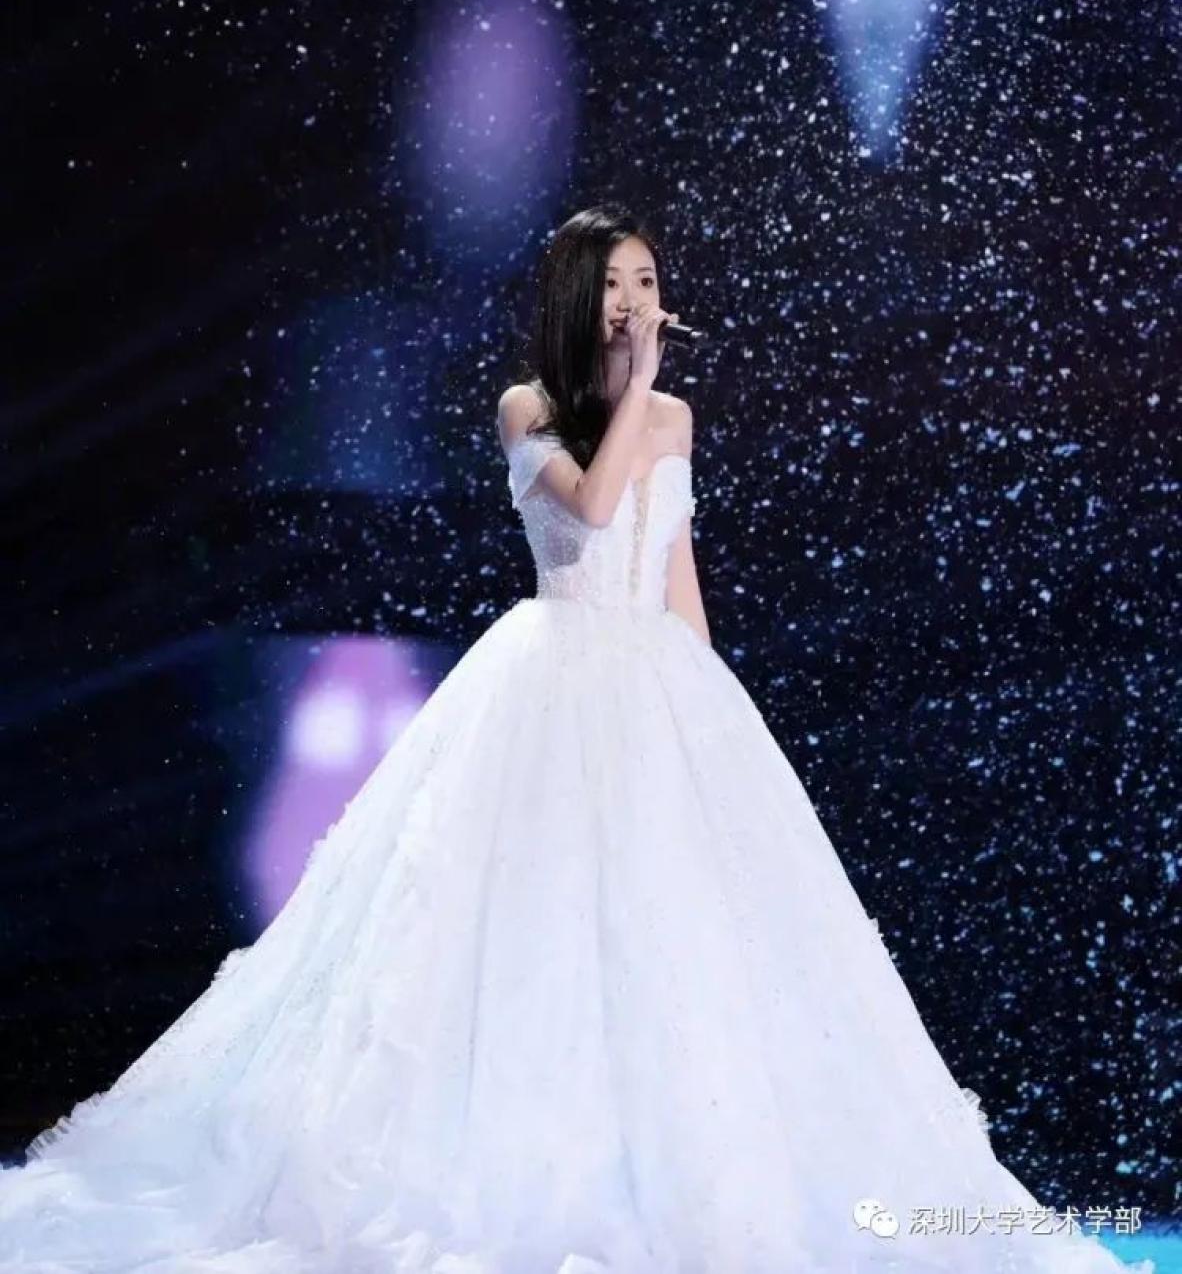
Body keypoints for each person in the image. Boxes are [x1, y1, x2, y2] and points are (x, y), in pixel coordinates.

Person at [0, 204, 1153, 1274]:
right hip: (550, 680)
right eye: (613, 284)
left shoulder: (676, 419)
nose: (634, 300)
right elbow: (595, 513)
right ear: (575, 297)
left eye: (646, 280)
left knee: (683, 937)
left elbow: (675, 563)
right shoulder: (528, 408)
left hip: (656, 688)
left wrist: (712, 715)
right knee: (529, 933)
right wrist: (635, 387)